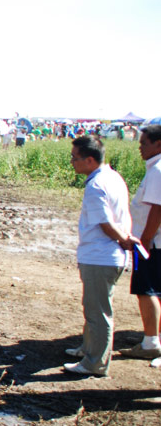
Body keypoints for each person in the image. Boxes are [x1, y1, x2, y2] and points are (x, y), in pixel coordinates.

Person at [63, 136, 131, 376]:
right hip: (106, 256)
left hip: (100, 257)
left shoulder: (96, 185)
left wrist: (123, 240)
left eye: (75, 158)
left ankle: (95, 363)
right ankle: (88, 349)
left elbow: (105, 224)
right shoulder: (113, 177)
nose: (72, 162)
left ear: (90, 160)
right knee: (93, 307)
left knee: (99, 312)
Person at [117, 124, 161, 360]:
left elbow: (157, 209)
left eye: (144, 143)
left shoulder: (158, 171)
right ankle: (153, 336)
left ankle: (151, 342)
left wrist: (143, 241)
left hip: (152, 243)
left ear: (158, 144)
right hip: (154, 242)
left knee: (147, 290)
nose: (139, 147)